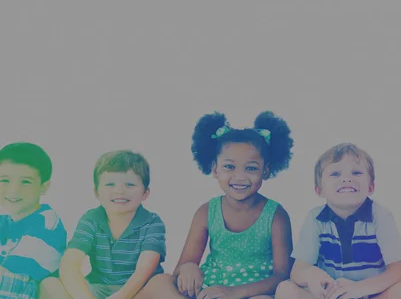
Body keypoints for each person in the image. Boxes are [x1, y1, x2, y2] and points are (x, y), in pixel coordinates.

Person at [142, 111, 294, 299]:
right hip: (210, 290)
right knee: (160, 282)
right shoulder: (207, 211)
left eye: (251, 168)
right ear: (215, 169)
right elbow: (182, 266)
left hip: (253, 292)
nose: (239, 176)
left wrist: (234, 293)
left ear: (266, 170)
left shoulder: (275, 215)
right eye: (229, 166)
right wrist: (188, 269)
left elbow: (282, 275)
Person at [276, 143, 401, 299]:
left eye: (356, 172)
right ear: (319, 190)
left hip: (371, 293)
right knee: (285, 289)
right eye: (335, 174)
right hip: (332, 295)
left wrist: (359, 288)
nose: (347, 179)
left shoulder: (380, 216)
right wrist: (312, 276)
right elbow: (297, 271)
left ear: (371, 187)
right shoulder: (315, 218)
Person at [40, 150, 167, 299]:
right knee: (48, 285)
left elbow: (145, 268)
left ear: (145, 193)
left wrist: (122, 296)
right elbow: (70, 263)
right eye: (110, 184)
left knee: (164, 282)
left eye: (130, 184)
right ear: (96, 192)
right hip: (99, 289)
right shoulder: (91, 219)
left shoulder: (152, 222)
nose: (119, 190)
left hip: (139, 290)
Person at [0, 142, 67, 299]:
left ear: (44, 187)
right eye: (4, 180)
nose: (13, 190)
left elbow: (16, 282)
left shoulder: (46, 222)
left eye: (26, 182)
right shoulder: (4, 222)